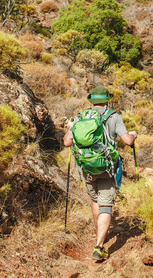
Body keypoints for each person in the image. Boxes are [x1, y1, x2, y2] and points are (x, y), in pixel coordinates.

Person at [63, 86, 137, 261]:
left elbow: (67, 142)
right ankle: (99, 246)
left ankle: (99, 234)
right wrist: (133, 135)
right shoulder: (113, 116)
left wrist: (70, 128)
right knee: (106, 204)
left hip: (87, 167)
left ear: (91, 100)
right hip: (108, 167)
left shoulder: (80, 117)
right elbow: (127, 141)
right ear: (107, 99)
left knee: (95, 199)